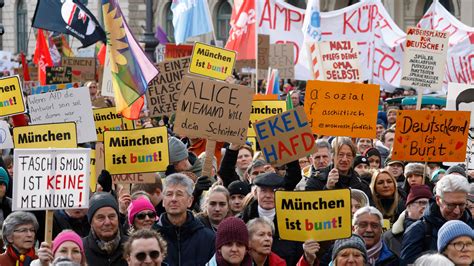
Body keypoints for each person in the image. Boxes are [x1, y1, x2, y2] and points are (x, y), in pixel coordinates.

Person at [400, 174, 473, 264]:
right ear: (438, 200)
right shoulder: (418, 230)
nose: (457, 211)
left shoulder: (471, 226)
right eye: (450, 205)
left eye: (462, 204)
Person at [241, 172, 303, 265]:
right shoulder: (243, 221)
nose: (268, 195)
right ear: (255, 193)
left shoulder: (293, 222)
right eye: (263, 190)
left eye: (273, 191)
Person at [155, 173, 215, 265]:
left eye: (179, 194)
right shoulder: (152, 237)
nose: (173, 199)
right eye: (169, 194)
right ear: (163, 200)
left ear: (190, 201)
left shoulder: (208, 238)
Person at [306, 137, 372, 205]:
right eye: (340, 155)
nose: (344, 159)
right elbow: (311, 209)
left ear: (353, 158)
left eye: (349, 155)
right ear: (332, 156)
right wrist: (328, 188)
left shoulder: (361, 184)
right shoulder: (316, 180)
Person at [383, 185, 432, 257]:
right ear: (408, 206)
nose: (426, 207)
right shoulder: (390, 237)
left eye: (430, 203)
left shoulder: (437, 231)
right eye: (421, 202)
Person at [83, 192, 128, 266]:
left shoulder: (132, 246)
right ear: (91, 222)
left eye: (111, 216)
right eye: (100, 218)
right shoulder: (81, 249)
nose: (107, 222)